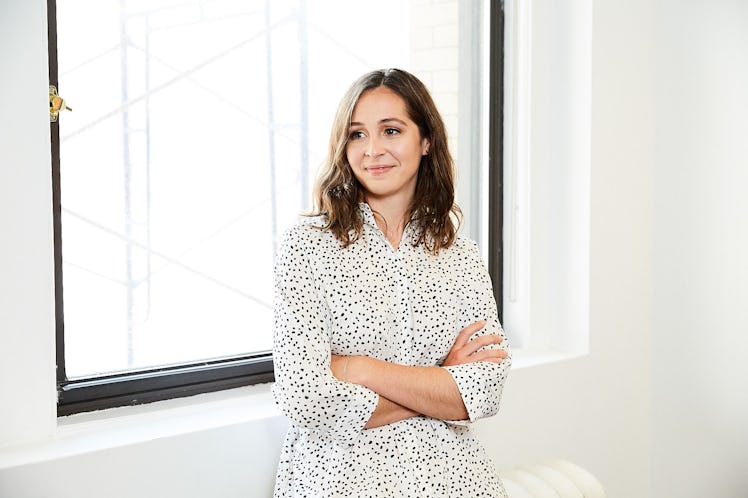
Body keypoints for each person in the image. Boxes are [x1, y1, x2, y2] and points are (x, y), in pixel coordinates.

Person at [272, 68, 511, 497]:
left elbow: (484, 392)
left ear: (426, 141)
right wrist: (439, 384)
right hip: (340, 484)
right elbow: (303, 397)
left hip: (455, 483)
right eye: (357, 135)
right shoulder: (306, 247)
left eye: (391, 130)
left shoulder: (461, 255)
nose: (373, 150)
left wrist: (356, 368)